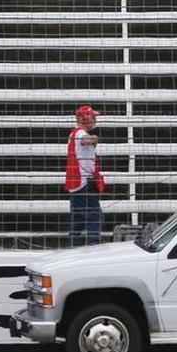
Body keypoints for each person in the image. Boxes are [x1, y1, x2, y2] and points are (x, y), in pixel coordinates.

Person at [65, 104, 104, 246]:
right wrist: (94, 138)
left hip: (77, 184)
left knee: (78, 220)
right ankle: (93, 247)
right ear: (87, 119)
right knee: (94, 217)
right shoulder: (80, 134)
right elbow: (85, 140)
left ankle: (72, 246)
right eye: (93, 117)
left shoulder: (74, 133)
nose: (95, 120)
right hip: (84, 183)